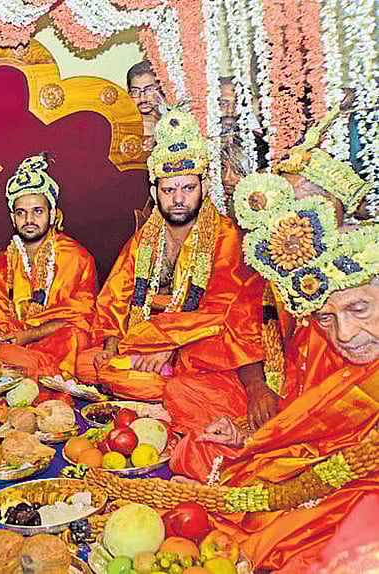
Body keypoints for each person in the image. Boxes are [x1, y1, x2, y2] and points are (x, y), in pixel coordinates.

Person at [168, 168, 379, 571]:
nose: (347, 334)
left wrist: (262, 448)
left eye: (360, 310)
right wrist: (247, 429)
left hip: (346, 474)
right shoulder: (310, 299)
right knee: (198, 436)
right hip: (297, 440)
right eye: (328, 319)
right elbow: (303, 409)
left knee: (283, 539)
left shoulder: (348, 275)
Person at [172, 109, 374, 480]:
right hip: (284, 407)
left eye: (308, 206)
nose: (291, 221)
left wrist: (256, 440)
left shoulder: (358, 273)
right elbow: (243, 334)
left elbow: (329, 420)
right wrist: (257, 395)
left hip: (326, 444)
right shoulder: (280, 263)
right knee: (188, 407)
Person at [75, 110, 262, 435]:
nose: (178, 199)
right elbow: (114, 299)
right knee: (84, 362)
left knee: (192, 375)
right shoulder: (144, 239)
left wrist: (171, 347)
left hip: (196, 349)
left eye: (187, 188)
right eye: (168, 190)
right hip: (143, 344)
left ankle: (162, 396)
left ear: (203, 187)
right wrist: (110, 343)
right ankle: (155, 397)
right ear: (153, 192)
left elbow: (224, 314)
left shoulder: (226, 237)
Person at [0, 154, 96, 376]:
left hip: (54, 343)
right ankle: (30, 371)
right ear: (13, 219)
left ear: (51, 215)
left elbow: (81, 317)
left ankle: (29, 371)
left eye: (37, 211)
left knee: (73, 338)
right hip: (11, 343)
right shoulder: (0, 264)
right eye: (21, 213)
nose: (29, 219)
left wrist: (28, 336)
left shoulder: (77, 257)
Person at [127, 60, 164, 153]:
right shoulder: (122, 126)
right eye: (135, 91)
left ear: (161, 89)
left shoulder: (177, 122)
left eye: (149, 90)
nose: (142, 98)